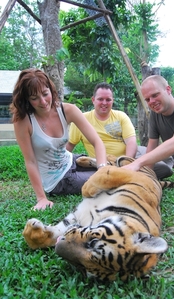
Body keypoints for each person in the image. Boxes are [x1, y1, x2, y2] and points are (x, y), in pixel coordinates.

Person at [10, 69, 107, 210]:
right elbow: (30, 161)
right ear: (26, 99)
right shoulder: (23, 121)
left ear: (51, 90)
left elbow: (97, 141)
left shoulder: (68, 110)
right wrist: (41, 198)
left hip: (72, 160)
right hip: (57, 180)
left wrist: (102, 168)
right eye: (34, 98)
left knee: (110, 171)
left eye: (45, 94)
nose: (43, 102)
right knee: (106, 183)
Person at [66, 82, 174, 179]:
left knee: (161, 154)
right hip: (106, 162)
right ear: (93, 100)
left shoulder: (120, 116)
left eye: (108, 99)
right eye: (100, 99)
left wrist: (127, 164)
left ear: (112, 100)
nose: (104, 103)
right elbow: (69, 146)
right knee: (164, 169)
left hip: (131, 155)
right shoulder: (81, 120)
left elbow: (131, 142)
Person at [123, 75, 174, 184]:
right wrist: (147, 177)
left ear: (168, 90)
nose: (151, 101)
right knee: (142, 150)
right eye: (147, 99)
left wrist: (138, 163)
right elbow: (151, 147)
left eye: (155, 95)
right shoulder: (155, 116)